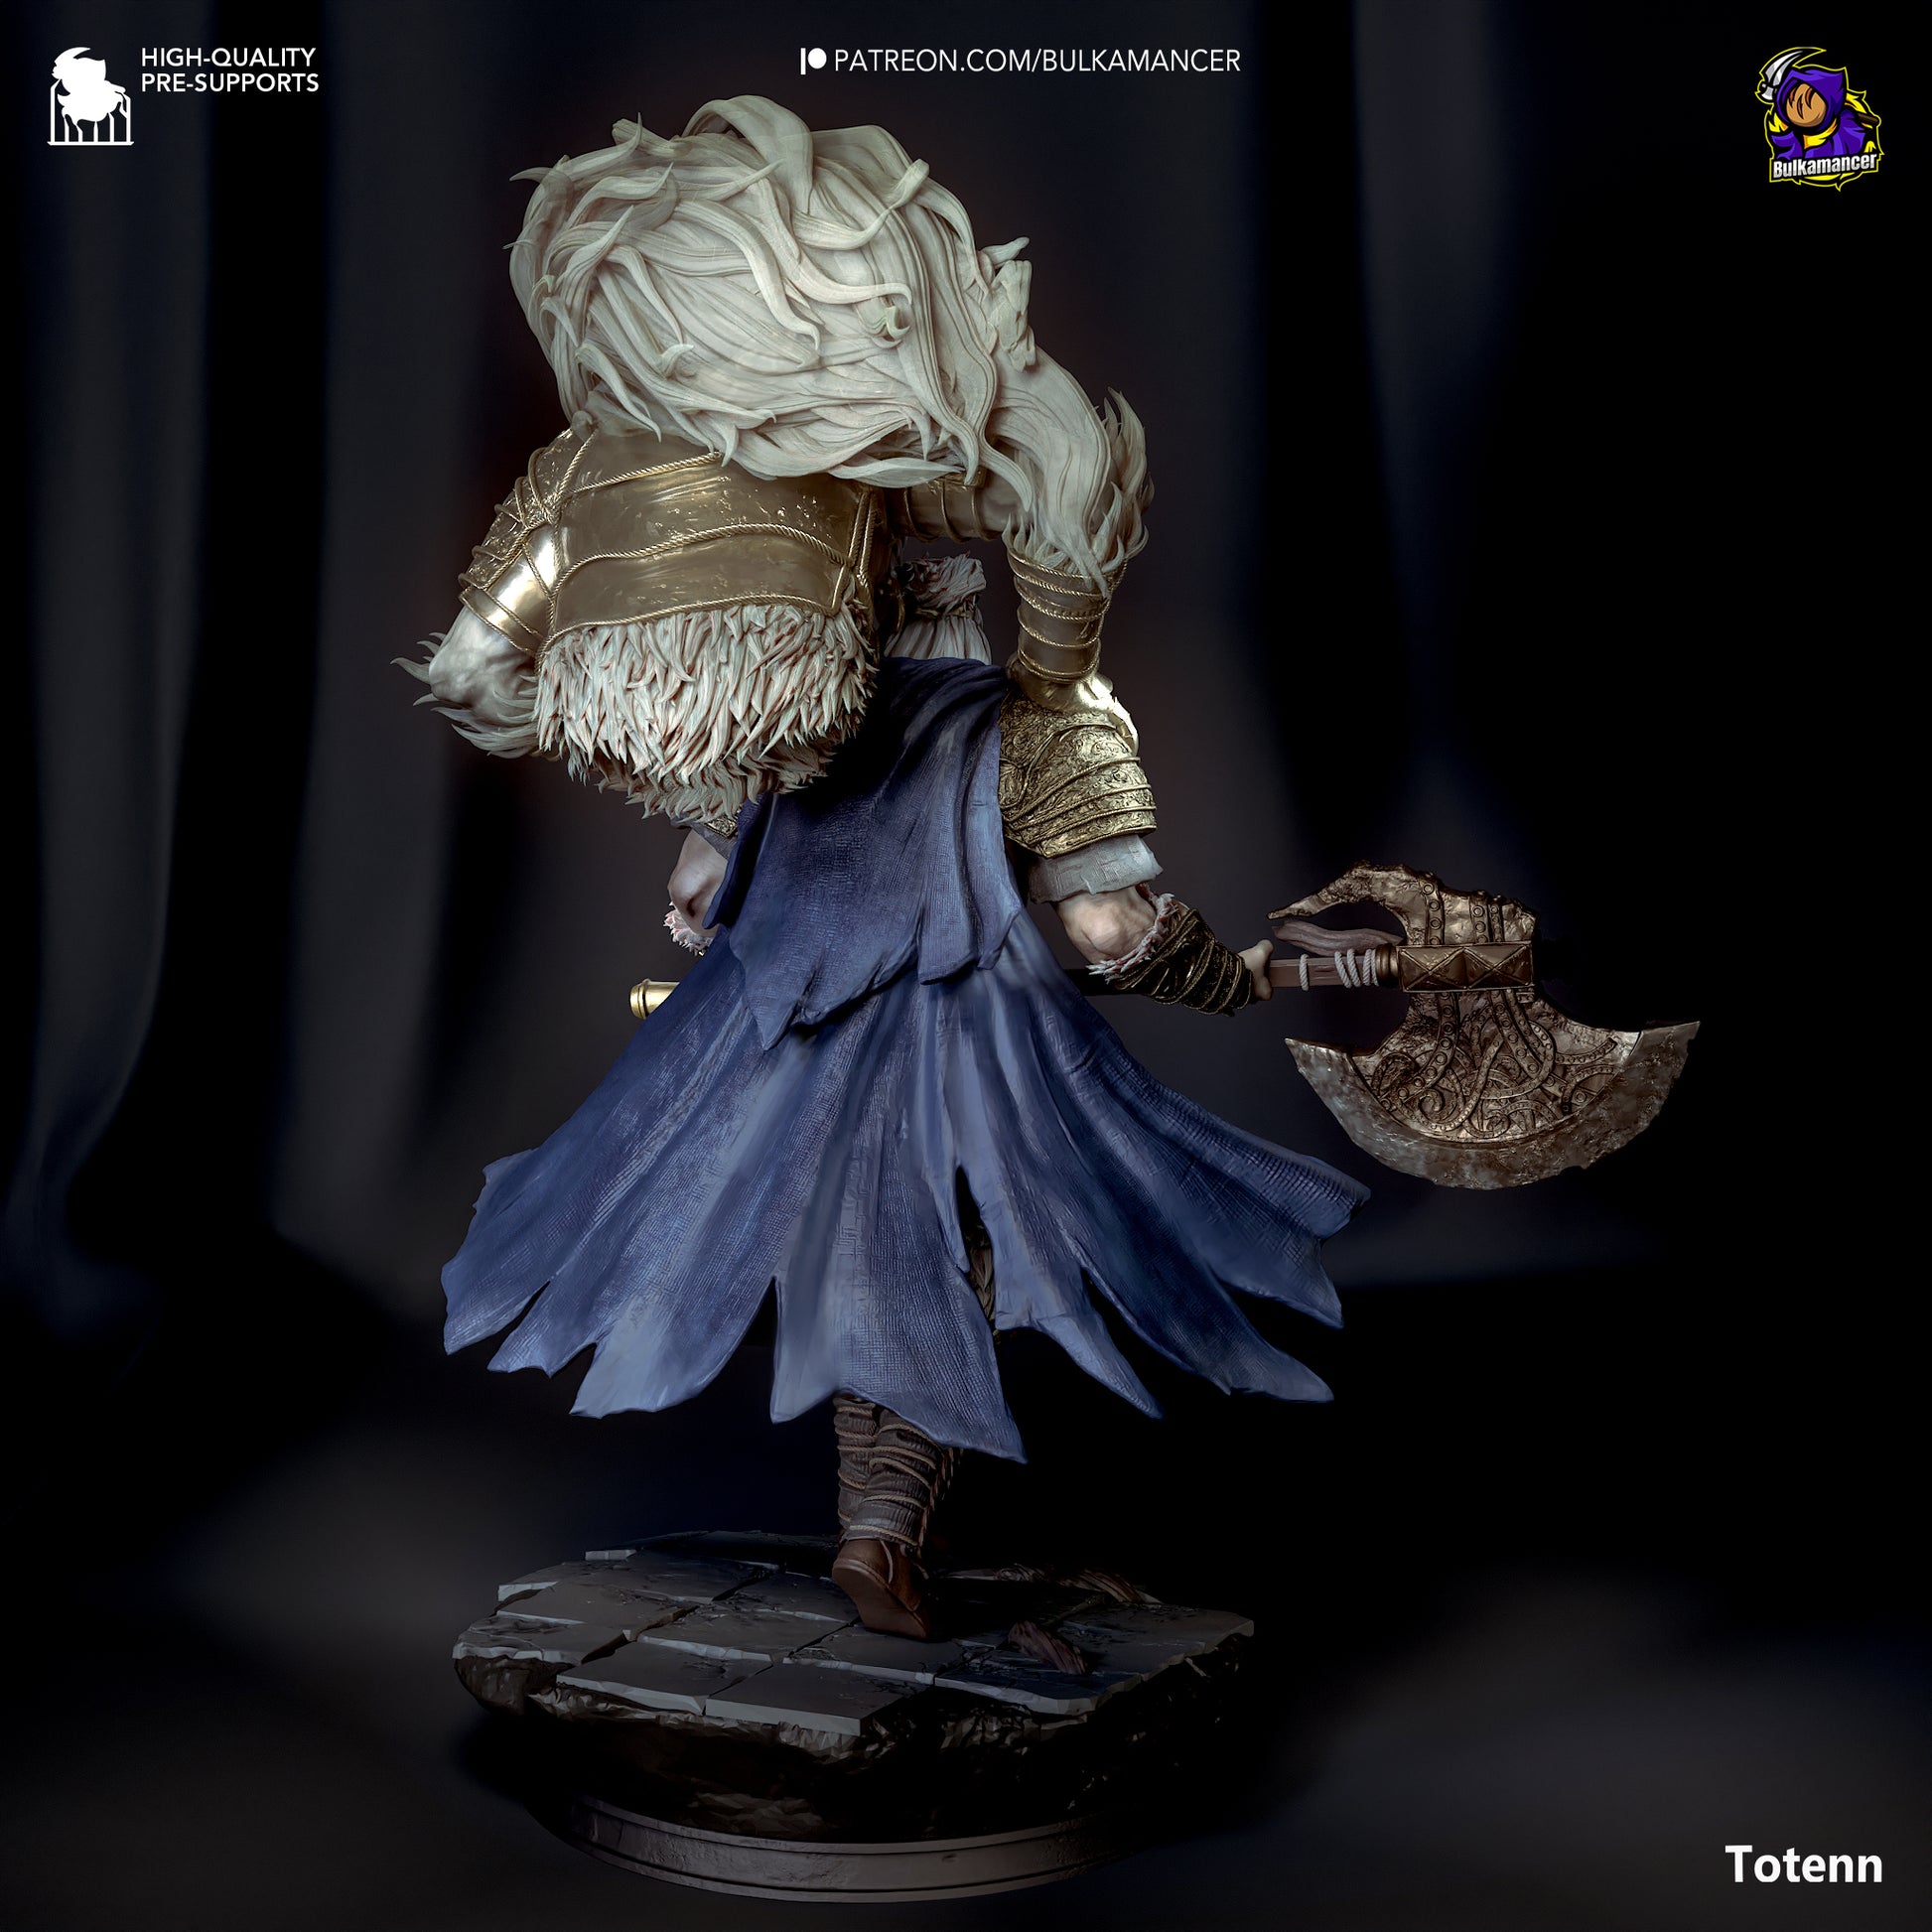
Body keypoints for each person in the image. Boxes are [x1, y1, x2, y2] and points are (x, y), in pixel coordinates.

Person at [405, 97, 1362, 1638]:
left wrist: (716, 812)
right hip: (873, 844)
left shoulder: (669, 459)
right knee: (911, 1206)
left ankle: (884, 1520)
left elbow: (476, 661)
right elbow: (1055, 568)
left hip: (857, 845)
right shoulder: (831, 455)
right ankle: (879, 1525)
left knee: (893, 1205)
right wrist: (1132, 896)